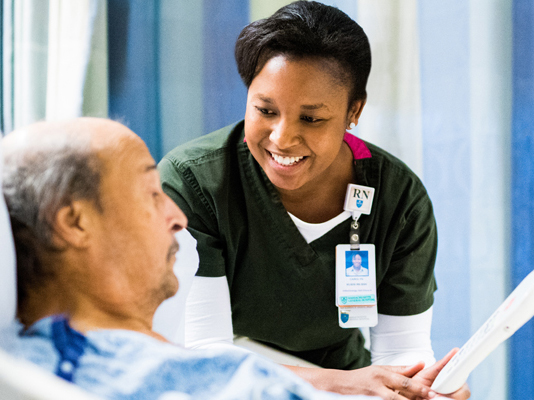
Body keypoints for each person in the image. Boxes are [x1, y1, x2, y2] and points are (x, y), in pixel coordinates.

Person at [158, 2, 470, 399]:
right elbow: (204, 353)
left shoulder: (398, 199)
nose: (282, 138)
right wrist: (343, 384)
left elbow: (400, 353)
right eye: (265, 110)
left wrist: (418, 387)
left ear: (353, 111)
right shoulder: (195, 183)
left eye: (311, 119)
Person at [1, 118, 381, 400]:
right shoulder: (208, 384)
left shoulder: (35, 359)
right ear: (75, 222)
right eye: (151, 192)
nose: (178, 218)